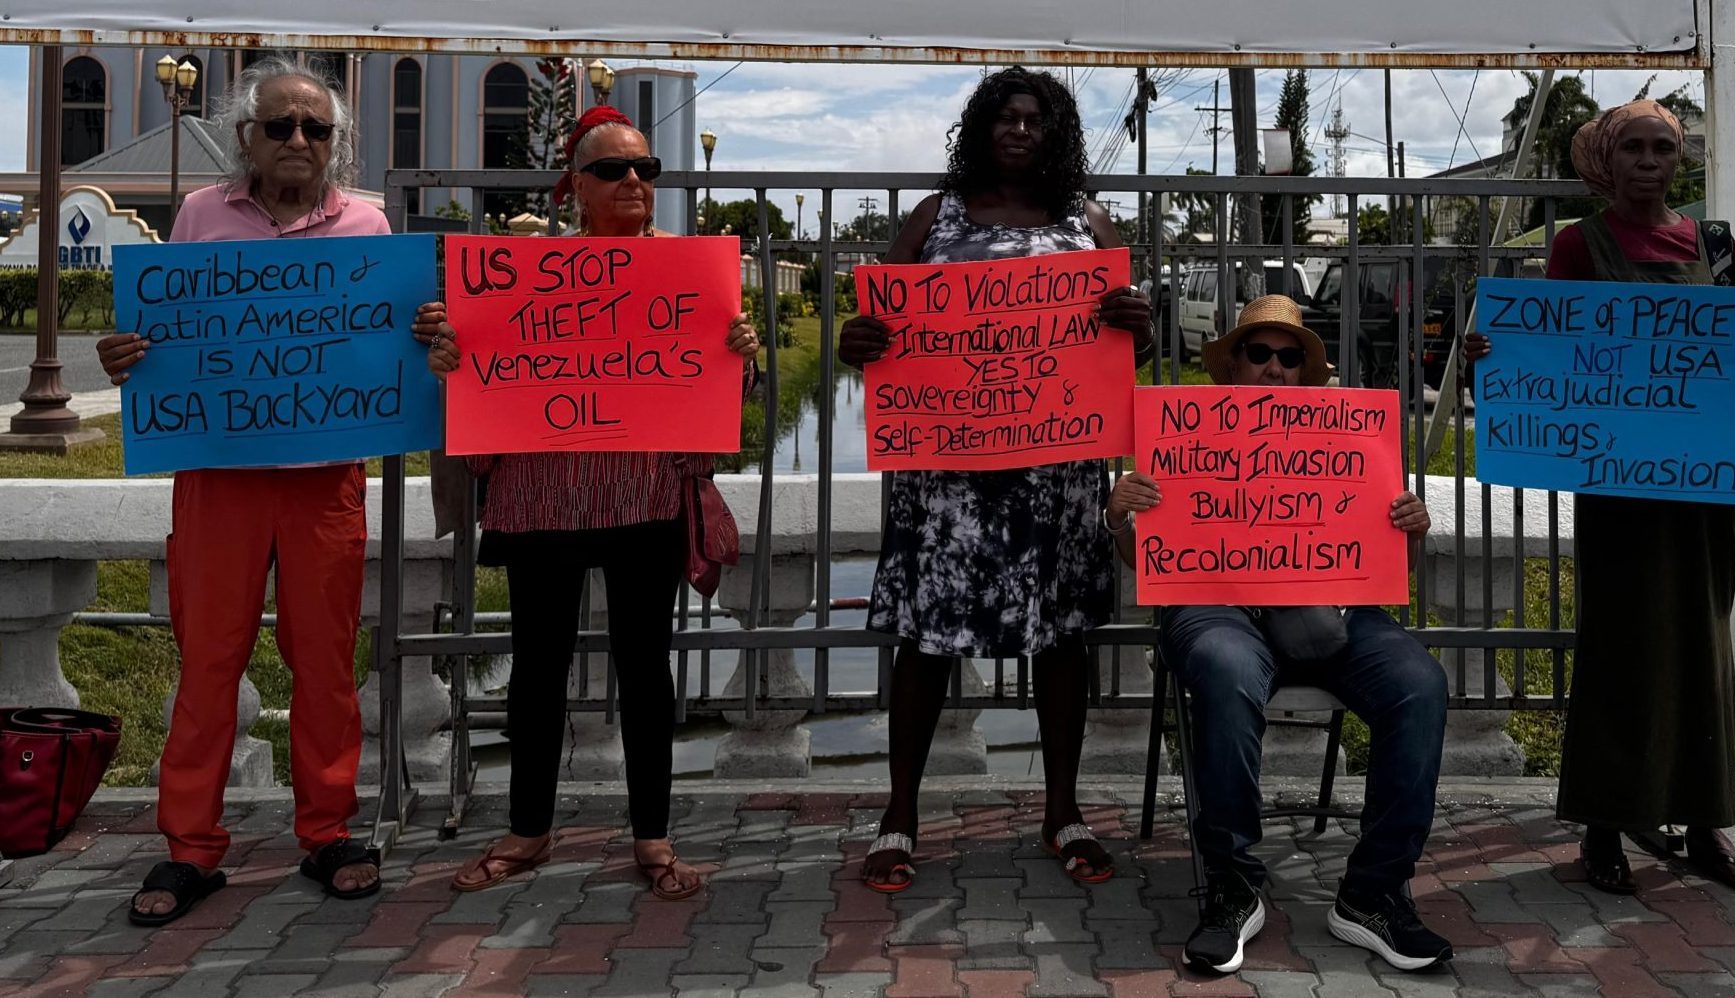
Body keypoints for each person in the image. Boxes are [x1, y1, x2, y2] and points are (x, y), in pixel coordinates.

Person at [1464, 100, 1735, 895]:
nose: (1647, 161)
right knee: (1618, 648)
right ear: (1605, 158)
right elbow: (1548, 349)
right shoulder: (1577, 244)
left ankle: (1707, 828)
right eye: (1630, 146)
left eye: (1662, 147)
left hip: (1701, 490)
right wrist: (1493, 354)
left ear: (1680, 161)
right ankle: (1603, 828)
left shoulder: (1715, 244)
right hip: (1615, 490)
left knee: (1704, 649)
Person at [416, 105, 763, 901]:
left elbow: (719, 391)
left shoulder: (689, 270)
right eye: (614, 170)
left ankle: (653, 835)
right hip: (541, 501)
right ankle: (528, 828)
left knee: (647, 669)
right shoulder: (519, 274)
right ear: (574, 185)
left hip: (645, 496)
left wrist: (740, 355)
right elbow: (471, 372)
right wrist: (449, 350)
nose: (635, 181)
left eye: (647, 169)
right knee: (537, 669)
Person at [95, 56, 404, 926]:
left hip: (324, 484)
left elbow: (393, 347)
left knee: (326, 668)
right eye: (281, 126)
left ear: (335, 146)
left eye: (316, 129)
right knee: (208, 667)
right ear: (247, 138)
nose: (299, 140)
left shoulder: (369, 228)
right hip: (219, 479)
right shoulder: (199, 216)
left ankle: (328, 831)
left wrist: (429, 338)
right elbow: (159, 337)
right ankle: (190, 849)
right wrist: (126, 357)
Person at [836, 67, 1152, 891]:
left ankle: (1063, 809)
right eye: (1006, 117)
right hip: (947, 476)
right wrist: (859, 340)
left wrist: (1136, 325)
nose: (1019, 130)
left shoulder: (1088, 223)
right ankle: (898, 814)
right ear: (980, 128)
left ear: (1056, 136)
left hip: (1056, 469)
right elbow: (870, 328)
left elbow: (1123, 355)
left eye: (1035, 119)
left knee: (1060, 637)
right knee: (927, 640)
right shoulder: (933, 219)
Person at [1109, 295, 1453, 974]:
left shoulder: (1345, 440)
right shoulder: (1186, 434)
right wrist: (1123, 517)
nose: (1273, 366)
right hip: (1216, 607)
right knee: (1224, 669)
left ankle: (1374, 891)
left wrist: (1409, 529)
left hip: (1334, 608)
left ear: (1304, 371)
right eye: (1258, 353)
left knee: (1420, 684)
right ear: (1230, 364)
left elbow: (1388, 567)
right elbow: (1144, 555)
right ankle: (1233, 884)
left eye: (1288, 357)